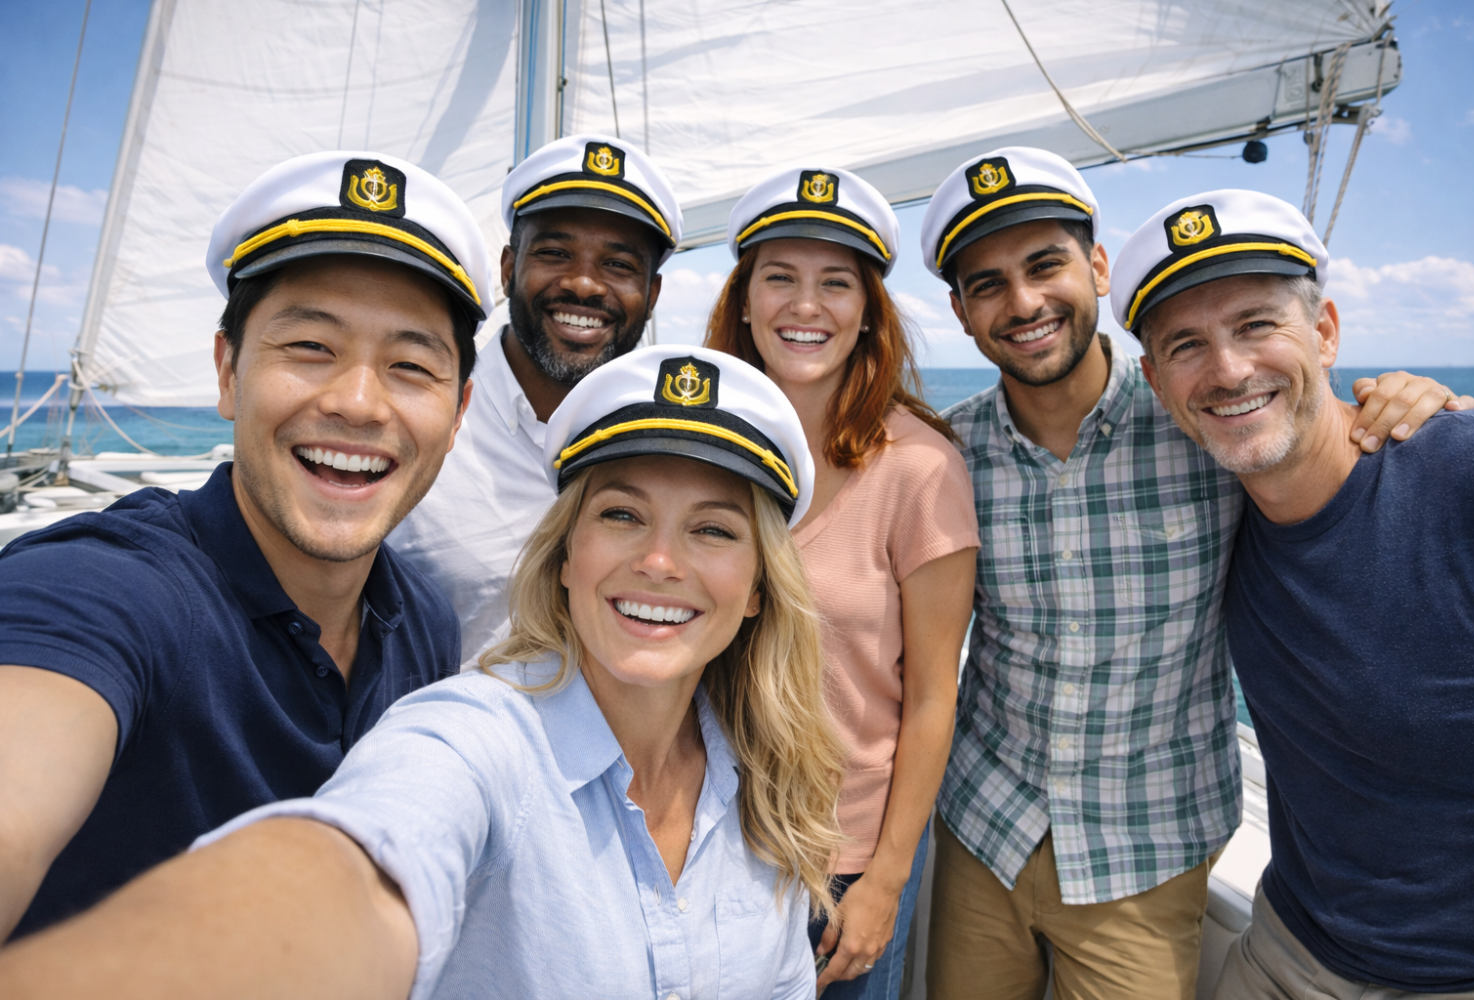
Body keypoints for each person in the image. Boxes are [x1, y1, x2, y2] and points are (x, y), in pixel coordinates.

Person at [0, 345, 847, 1000]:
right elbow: (361, 872)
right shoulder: (473, 740)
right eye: (621, 514)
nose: (660, 561)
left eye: (714, 530)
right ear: (564, 557)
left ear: (758, 591)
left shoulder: (765, 782)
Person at [915, 146, 1474, 1000]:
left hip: (1146, 849)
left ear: (1096, 269)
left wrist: (1423, 413)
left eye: (1045, 265)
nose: (1023, 302)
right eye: (987, 284)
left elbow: (1312, 448)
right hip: (981, 826)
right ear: (959, 311)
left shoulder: (1203, 424)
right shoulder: (946, 455)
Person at [0, 151, 488, 941]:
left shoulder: (423, 621)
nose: (359, 404)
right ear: (228, 372)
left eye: (409, 365)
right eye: (310, 349)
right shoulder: (111, 589)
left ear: (459, 409)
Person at [1114, 190, 1474, 1000]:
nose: (1228, 370)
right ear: (1155, 382)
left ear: (1324, 333)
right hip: (1287, 953)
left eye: (1258, 325)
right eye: (1187, 345)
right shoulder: (1215, 516)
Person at [707, 166, 979, 997]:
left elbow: (934, 694)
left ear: (868, 314)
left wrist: (887, 880)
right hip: (703, 843)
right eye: (779, 278)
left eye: (836, 283)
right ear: (744, 301)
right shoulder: (699, 446)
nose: (805, 305)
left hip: (843, 867)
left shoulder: (920, 469)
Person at [388, 134, 682, 667]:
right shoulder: (414, 421)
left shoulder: (680, 442)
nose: (584, 284)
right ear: (508, 268)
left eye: (618, 265)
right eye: (554, 253)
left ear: (653, 294)